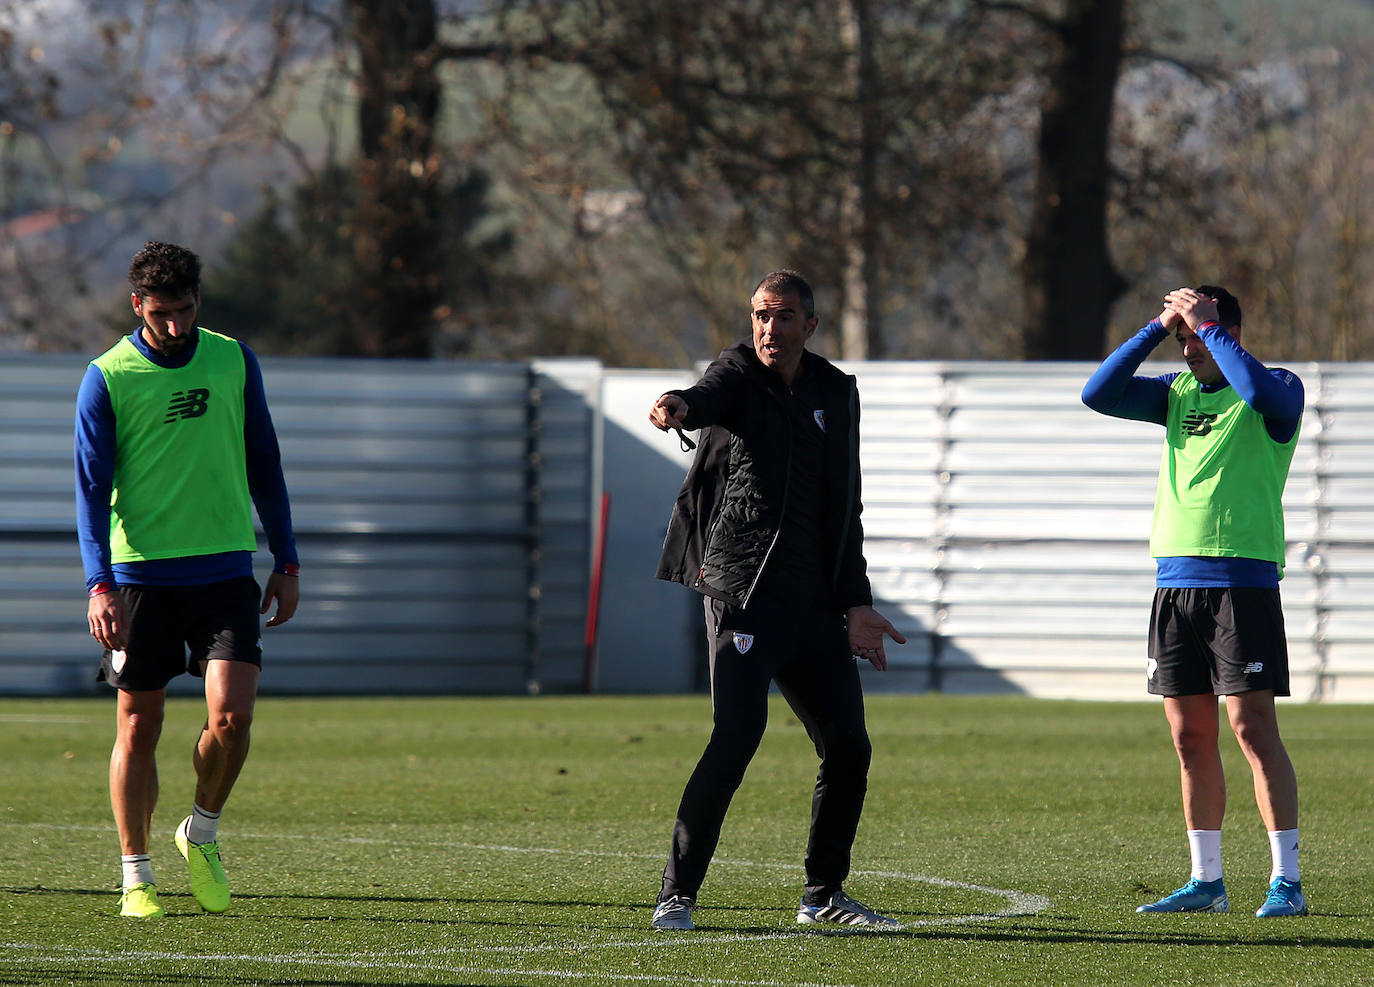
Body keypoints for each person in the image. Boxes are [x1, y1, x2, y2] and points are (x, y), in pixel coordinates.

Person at [646, 269, 907, 931]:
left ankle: (823, 895)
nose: (769, 328)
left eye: (784, 316)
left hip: (814, 603)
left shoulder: (834, 391)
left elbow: (845, 503)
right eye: (762, 315)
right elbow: (705, 395)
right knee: (738, 734)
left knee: (849, 745)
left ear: (810, 326)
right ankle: (677, 893)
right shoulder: (736, 373)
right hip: (743, 595)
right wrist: (677, 402)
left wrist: (857, 601)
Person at [75, 241, 300, 919]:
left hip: (225, 570)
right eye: (163, 312)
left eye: (187, 309)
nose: (176, 326)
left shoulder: (232, 359)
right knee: (138, 725)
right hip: (139, 577)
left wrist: (285, 561)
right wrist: (99, 584)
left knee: (232, 718)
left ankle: (200, 832)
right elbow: (90, 489)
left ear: (199, 299)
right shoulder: (108, 376)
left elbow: (265, 460)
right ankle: (135, 875)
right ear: (138, 304)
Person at [1082, 285, 1307, 918]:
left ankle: (1285, 880)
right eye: (1182, 339)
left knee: (1252, 728)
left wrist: (1209, 329)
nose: (1188, 350)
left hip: (1243, 586)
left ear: (1226, 330)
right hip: (1175, 584)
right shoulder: (1176, 394)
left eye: (1196, 336)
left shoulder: (1277, 385)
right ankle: (1206, 880)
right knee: (1189, 736)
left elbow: (1262, 395)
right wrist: (1158, 326)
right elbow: (1097, 393)